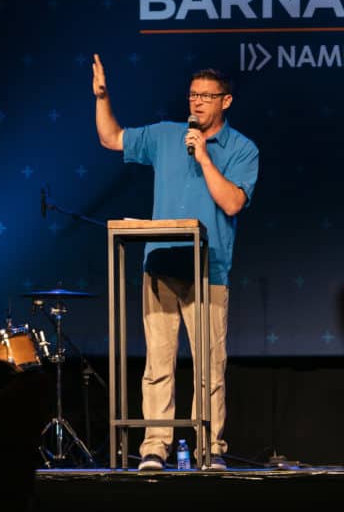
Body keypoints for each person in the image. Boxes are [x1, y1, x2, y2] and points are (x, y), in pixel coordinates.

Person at [92, 53, 259, 471]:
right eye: (192, 95)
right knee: (158, 363)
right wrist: (102, 96)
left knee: (210, 368)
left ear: (226, 102)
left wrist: (204, 158)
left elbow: (233, 203)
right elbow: (112, 138)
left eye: (207, 96)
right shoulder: (166, 135)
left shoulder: (242, 149)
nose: (197, 103)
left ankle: (209, 449)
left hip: (210, 270)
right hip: (161, 265)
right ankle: (154, 446)